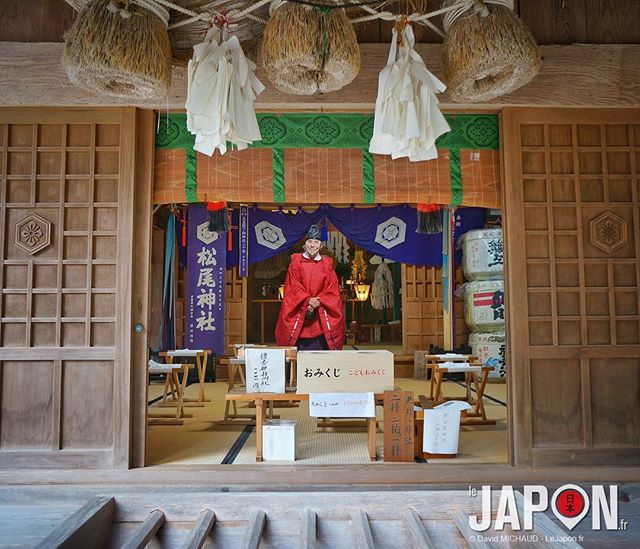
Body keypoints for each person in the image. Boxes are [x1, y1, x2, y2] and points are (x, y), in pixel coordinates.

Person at [275, 225, 345, 350]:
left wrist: (318, 301)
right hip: (301, 313)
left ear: (321, 246)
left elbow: (332, 288)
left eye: (316, 242)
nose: (313, 245)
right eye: (310, 242)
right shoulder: (295, 263)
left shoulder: (327, 264)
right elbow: (293, 286)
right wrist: (307, 300)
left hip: (320, 316)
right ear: (305, 244)